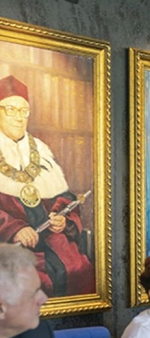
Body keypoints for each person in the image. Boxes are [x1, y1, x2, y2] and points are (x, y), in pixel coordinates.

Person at [0, 75, 94, 297]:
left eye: (24, 111)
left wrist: (62, 219)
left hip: (52, 240)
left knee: (81, 269)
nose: (19, 117)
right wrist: (14, 229)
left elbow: (65, 199)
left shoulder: (41, 150)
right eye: (11, 110)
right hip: (10, 247)